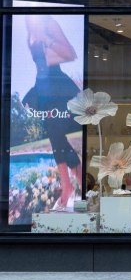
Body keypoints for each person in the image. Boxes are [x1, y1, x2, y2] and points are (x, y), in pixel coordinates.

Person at [23, 16, 81, 212]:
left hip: (57, 86)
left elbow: (70, 53)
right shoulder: (30, 32)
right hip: (43, 87)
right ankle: (70, 184)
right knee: (54, 134)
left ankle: (70, 185)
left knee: (56, 132)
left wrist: (46, 39)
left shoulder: (49, 23)